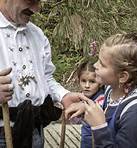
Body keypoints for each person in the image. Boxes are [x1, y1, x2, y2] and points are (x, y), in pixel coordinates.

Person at [0, 0, 87, 147]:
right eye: (31, 1)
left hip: (35, 132)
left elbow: (46, 77)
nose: (36, 9)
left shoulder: (37, 35)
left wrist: (63, 95)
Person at [66, 33, 137, 148]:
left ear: (122, 77)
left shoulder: (135, 114)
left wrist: (99, 128)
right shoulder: (112, 88)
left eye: (102, 64)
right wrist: (87, 107)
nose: (95, 65)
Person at [76, 60, 104, 148]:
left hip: (97, 140)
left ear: (100, 83)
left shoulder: (102, 99)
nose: (87, 86)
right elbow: (76, 120)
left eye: (92, 82)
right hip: (86, 138)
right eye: (83, 81)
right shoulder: (82, 97)